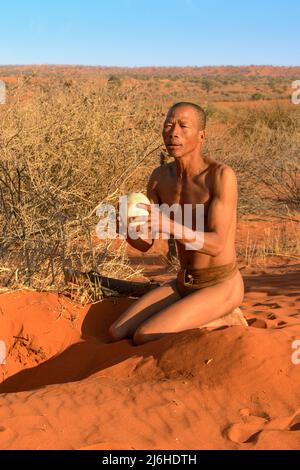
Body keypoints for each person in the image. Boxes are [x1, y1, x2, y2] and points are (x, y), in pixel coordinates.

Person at [109, 102, 245, 345]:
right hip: (184, 281)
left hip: (220, 284)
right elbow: (144, 245)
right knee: (117, 332)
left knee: (144, 335)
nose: (174, 132)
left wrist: (170, 226)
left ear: (201, 135)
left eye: (183, 126)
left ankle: (229, 319)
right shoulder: (160, 177)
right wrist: (125, 226)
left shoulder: (220, 176)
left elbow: (216, 245)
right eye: (169, 125)